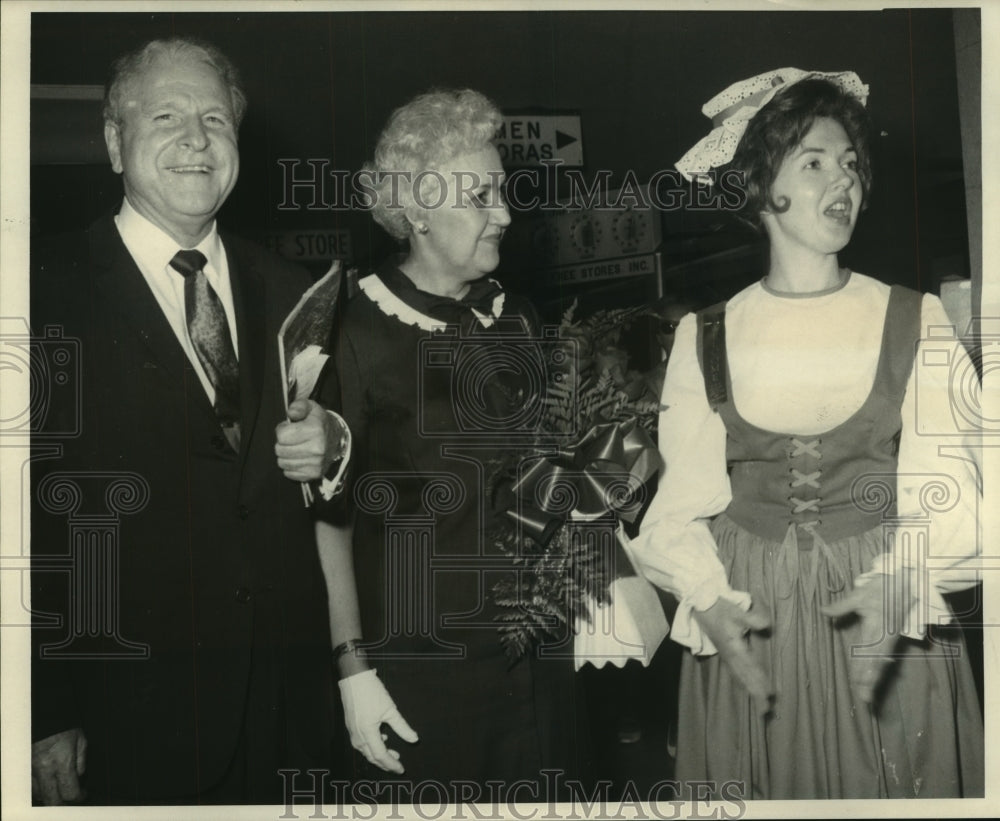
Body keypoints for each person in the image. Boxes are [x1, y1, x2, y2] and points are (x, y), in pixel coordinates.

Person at [630, 69, 984, 799]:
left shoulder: (917, 320)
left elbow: (961, 495)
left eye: (852, 163)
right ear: (763, 189)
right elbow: (680, 505)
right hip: (754, 617)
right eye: (816, 161)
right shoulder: (707, 334)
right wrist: (705, 595)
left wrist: (903, 583)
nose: (843, 181)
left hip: (886, 606)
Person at [30, 36, 348, 805]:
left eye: (215, 118)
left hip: (285, 708)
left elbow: (320, 470)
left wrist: (334, 444)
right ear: (114, 143)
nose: (197, 139)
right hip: (132, 715)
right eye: (166, 115)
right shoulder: (39, 290)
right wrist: (45, 707)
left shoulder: (291, 285)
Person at [314, 88, 585, 799]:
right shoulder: (353, 327)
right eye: (481, 196)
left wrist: (601, 567)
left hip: (535, 660)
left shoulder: (517, 316)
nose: (504, 213)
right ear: (418, 211)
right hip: (417, 675)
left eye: (501, 192)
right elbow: (325, 518)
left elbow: (549, 475)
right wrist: (352, 669)